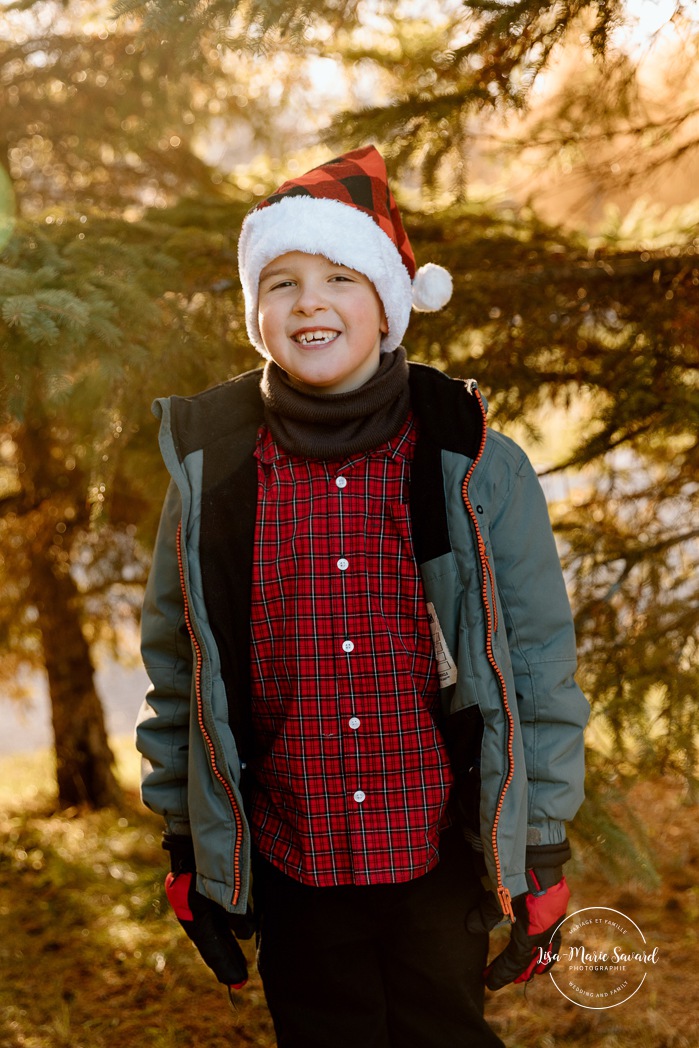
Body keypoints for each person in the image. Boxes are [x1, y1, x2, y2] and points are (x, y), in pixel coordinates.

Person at [136, 145, 590, 1048]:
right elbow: (181, 674)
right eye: (282, 281)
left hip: (436, 853)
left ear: (387, 303)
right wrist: (189, 849)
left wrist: (537, 844)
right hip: (292, 855)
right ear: (256, 316)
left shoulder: (470, 466)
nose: (310, 300)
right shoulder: (215, 477)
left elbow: (534, 667)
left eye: (341, 276)